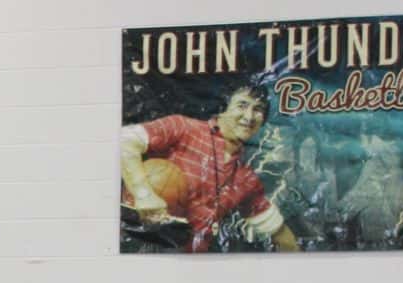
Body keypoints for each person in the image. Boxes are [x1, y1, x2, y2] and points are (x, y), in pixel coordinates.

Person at [121, 81, 300, 252]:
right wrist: (143, 193)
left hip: (194, 266)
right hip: (143, 248)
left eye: (258, 110)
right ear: (223, 108)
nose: (249, 116)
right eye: (242, 105)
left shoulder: (246, 179)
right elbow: (124, 141)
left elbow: (278, 231)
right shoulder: (183, 128)